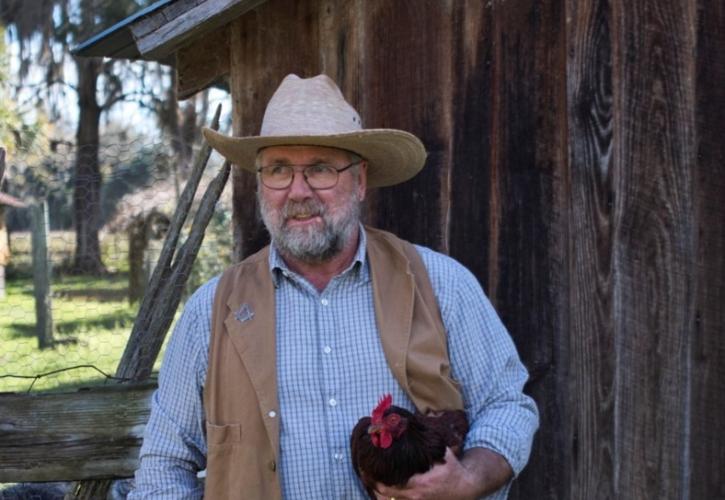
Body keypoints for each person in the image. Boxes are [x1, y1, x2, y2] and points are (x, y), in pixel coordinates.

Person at [129, 74, 538, 500]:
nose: (298, 192)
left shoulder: (441, 285)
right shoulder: (211, 313)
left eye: (321, 169)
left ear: (360, 180)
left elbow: (507, 405)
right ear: (259, 183)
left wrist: (468, 479)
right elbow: (166, 463)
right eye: (278, 170)